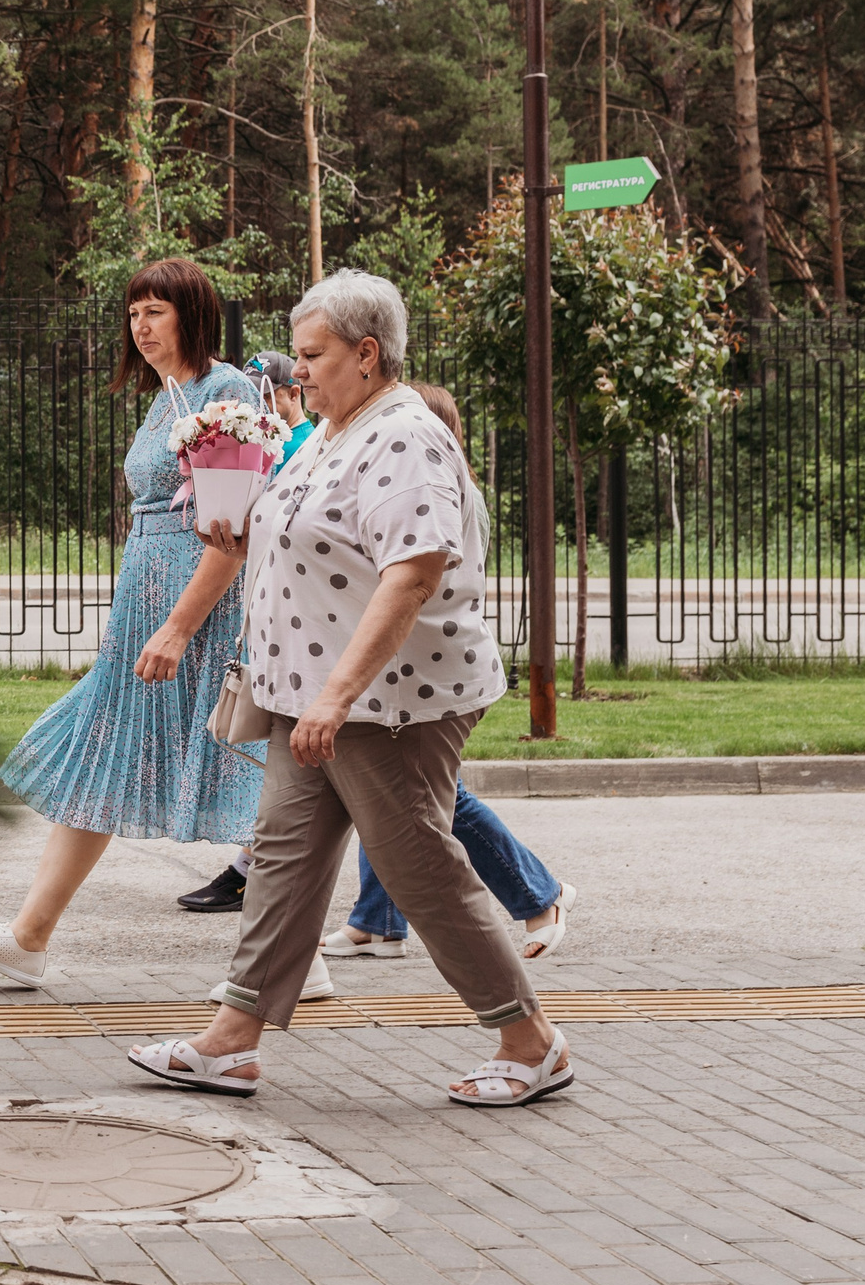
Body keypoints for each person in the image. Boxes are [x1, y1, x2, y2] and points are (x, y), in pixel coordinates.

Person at [129, 270, 577, 1109]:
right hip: (311, 697)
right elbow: (313, 538)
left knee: (419, 870)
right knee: (284, 864)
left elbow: (410, 575)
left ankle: (530, 1040)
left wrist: (337, 695)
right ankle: (232, 1039)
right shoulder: (341, 428)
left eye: (313, 355)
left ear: (367, 355)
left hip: (384, 703)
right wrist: (240, 523)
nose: (298, 372)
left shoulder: (402, 435)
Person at [0, 259, 323, 996]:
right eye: (134, 312)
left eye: (156, 312)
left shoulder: (225, 390)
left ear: (192, 314)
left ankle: (298, 959)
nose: (141, 327)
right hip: (143, 609)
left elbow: (229, 532)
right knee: (113, 762)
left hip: (190, 615)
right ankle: (28, 938)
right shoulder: (162, 400)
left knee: (234, 770)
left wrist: (178, 627)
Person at [324, 381, 577, 962]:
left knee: (429, 799)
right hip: (401, 670)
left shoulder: (433, 493)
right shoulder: (436, 489)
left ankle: (541, 895)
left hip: (424, 674)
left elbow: (415, 584)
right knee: (384, 791)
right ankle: (377, 920)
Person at [175, 351, 319, 912]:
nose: (261, 402)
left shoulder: (304, 445)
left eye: (268, 390)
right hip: (283, 618)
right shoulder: (265, 447)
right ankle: (372, 919)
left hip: (309, 625)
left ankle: (534, 893)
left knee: (413, 799)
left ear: (288, 395)